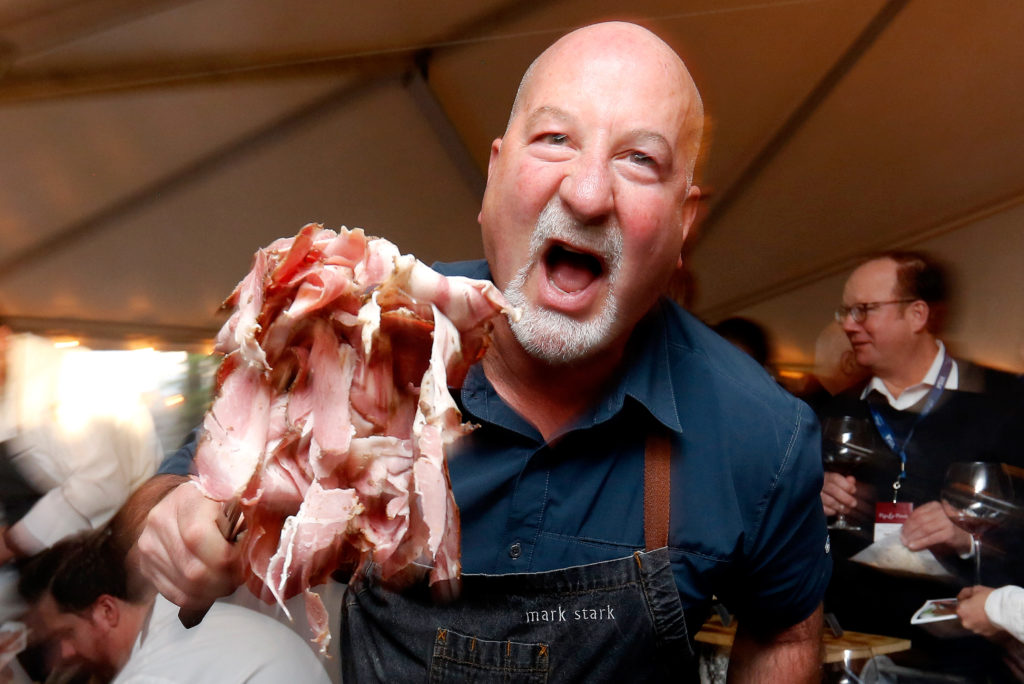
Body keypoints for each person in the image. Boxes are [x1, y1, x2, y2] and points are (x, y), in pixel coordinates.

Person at [138, 21, 831, 682]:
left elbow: (786, 630)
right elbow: (171, 497)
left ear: (685, 222)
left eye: (639, 160)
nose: (588, 194)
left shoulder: (762, 435)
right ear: (494, 177)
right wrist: (174, 519)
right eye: (555, 139)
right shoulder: (362, 335)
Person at [819, 250, 1024, 680]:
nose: (848, 324)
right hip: (856, 652)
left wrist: (969, 539)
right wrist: (813, 499)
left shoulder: (1005, 403)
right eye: (846, 311)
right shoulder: (835, 412)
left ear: (916, 314)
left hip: (967, 663)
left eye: (864, 310)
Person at [17, 475, 332, 684]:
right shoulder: (173, 615)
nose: (66, 654)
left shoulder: (154, 671)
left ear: (106, 610)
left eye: (67, 634)